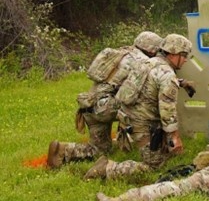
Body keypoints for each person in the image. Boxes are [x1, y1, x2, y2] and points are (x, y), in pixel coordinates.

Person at [47, 31, 163, 169]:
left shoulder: (121, 53)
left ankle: (63, 150)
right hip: (107, 107)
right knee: (144, 106)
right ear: (152, 49)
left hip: (89, 105)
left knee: (100, 149)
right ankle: (150, 148)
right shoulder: (143, 61)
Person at [83, 33, 192, 180]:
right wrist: (174, 137)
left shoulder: (146, 63)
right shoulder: (167, 75)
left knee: (164, 154)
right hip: (142, 124)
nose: (185, 60)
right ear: (173, 53)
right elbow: (168, 111)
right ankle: (108, 169)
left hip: (127, 117)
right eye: (184, 55)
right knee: (154, 166)